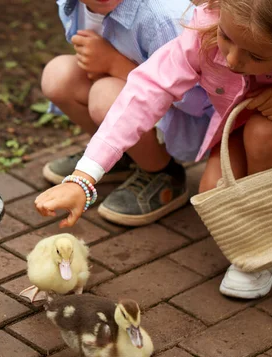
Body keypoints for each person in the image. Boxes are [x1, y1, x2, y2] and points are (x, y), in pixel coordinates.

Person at [36, 0, 272, 298]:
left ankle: (266, 247)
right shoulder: (207, 27)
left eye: (255, 55)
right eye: (227, 39)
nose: (232, 59)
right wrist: (84, 177)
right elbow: (146, 90)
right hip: (232, 125)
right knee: (213, 195)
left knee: (264, 134)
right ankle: (259, 205)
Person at [40, 0, 213, 226]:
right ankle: (121, 157)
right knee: (58, 76)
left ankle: (162, 173)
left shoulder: (162, 18)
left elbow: (200, 101)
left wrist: (115, 64)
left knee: (105, 96)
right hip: (135, 101)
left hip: (185, 119)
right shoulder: (73, 4)